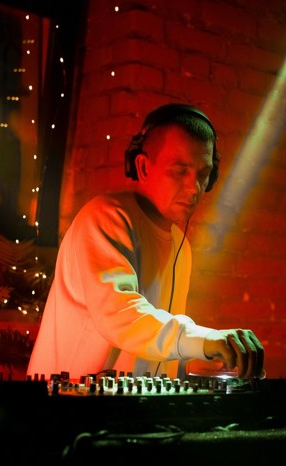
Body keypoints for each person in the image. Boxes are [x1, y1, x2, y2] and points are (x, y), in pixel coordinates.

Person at [27, 103, 264, 382]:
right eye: (180, 171)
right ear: (141, 166)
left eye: (203, 174)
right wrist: (206, 339)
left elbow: (156, 343)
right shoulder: (105, 218)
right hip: (65, 402)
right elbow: (122, 314)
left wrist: (194, 365)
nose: (195, 188)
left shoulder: (180, 246)